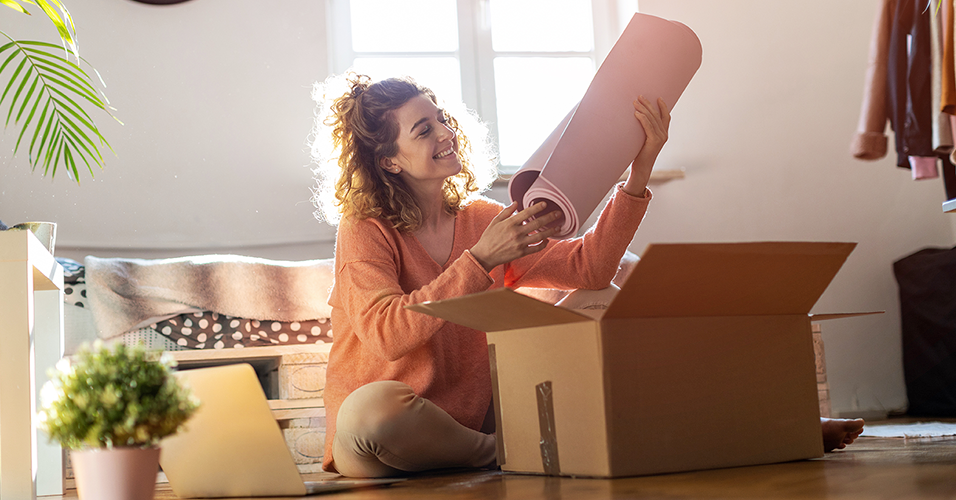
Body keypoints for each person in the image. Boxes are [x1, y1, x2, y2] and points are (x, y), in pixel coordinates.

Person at [311, 73, 862, 478]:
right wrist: (479, 261)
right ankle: (518, 451)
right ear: (388, 160)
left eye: (443, 120)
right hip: (384, 442)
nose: (445, 134)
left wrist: (639, 169)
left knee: (603, 301)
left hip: (479, 420)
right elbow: (386, 334)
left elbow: (590, 269)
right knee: (374, 410)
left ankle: (770, 428)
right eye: (423, 129)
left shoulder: (480, 218)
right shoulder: (365, 229)